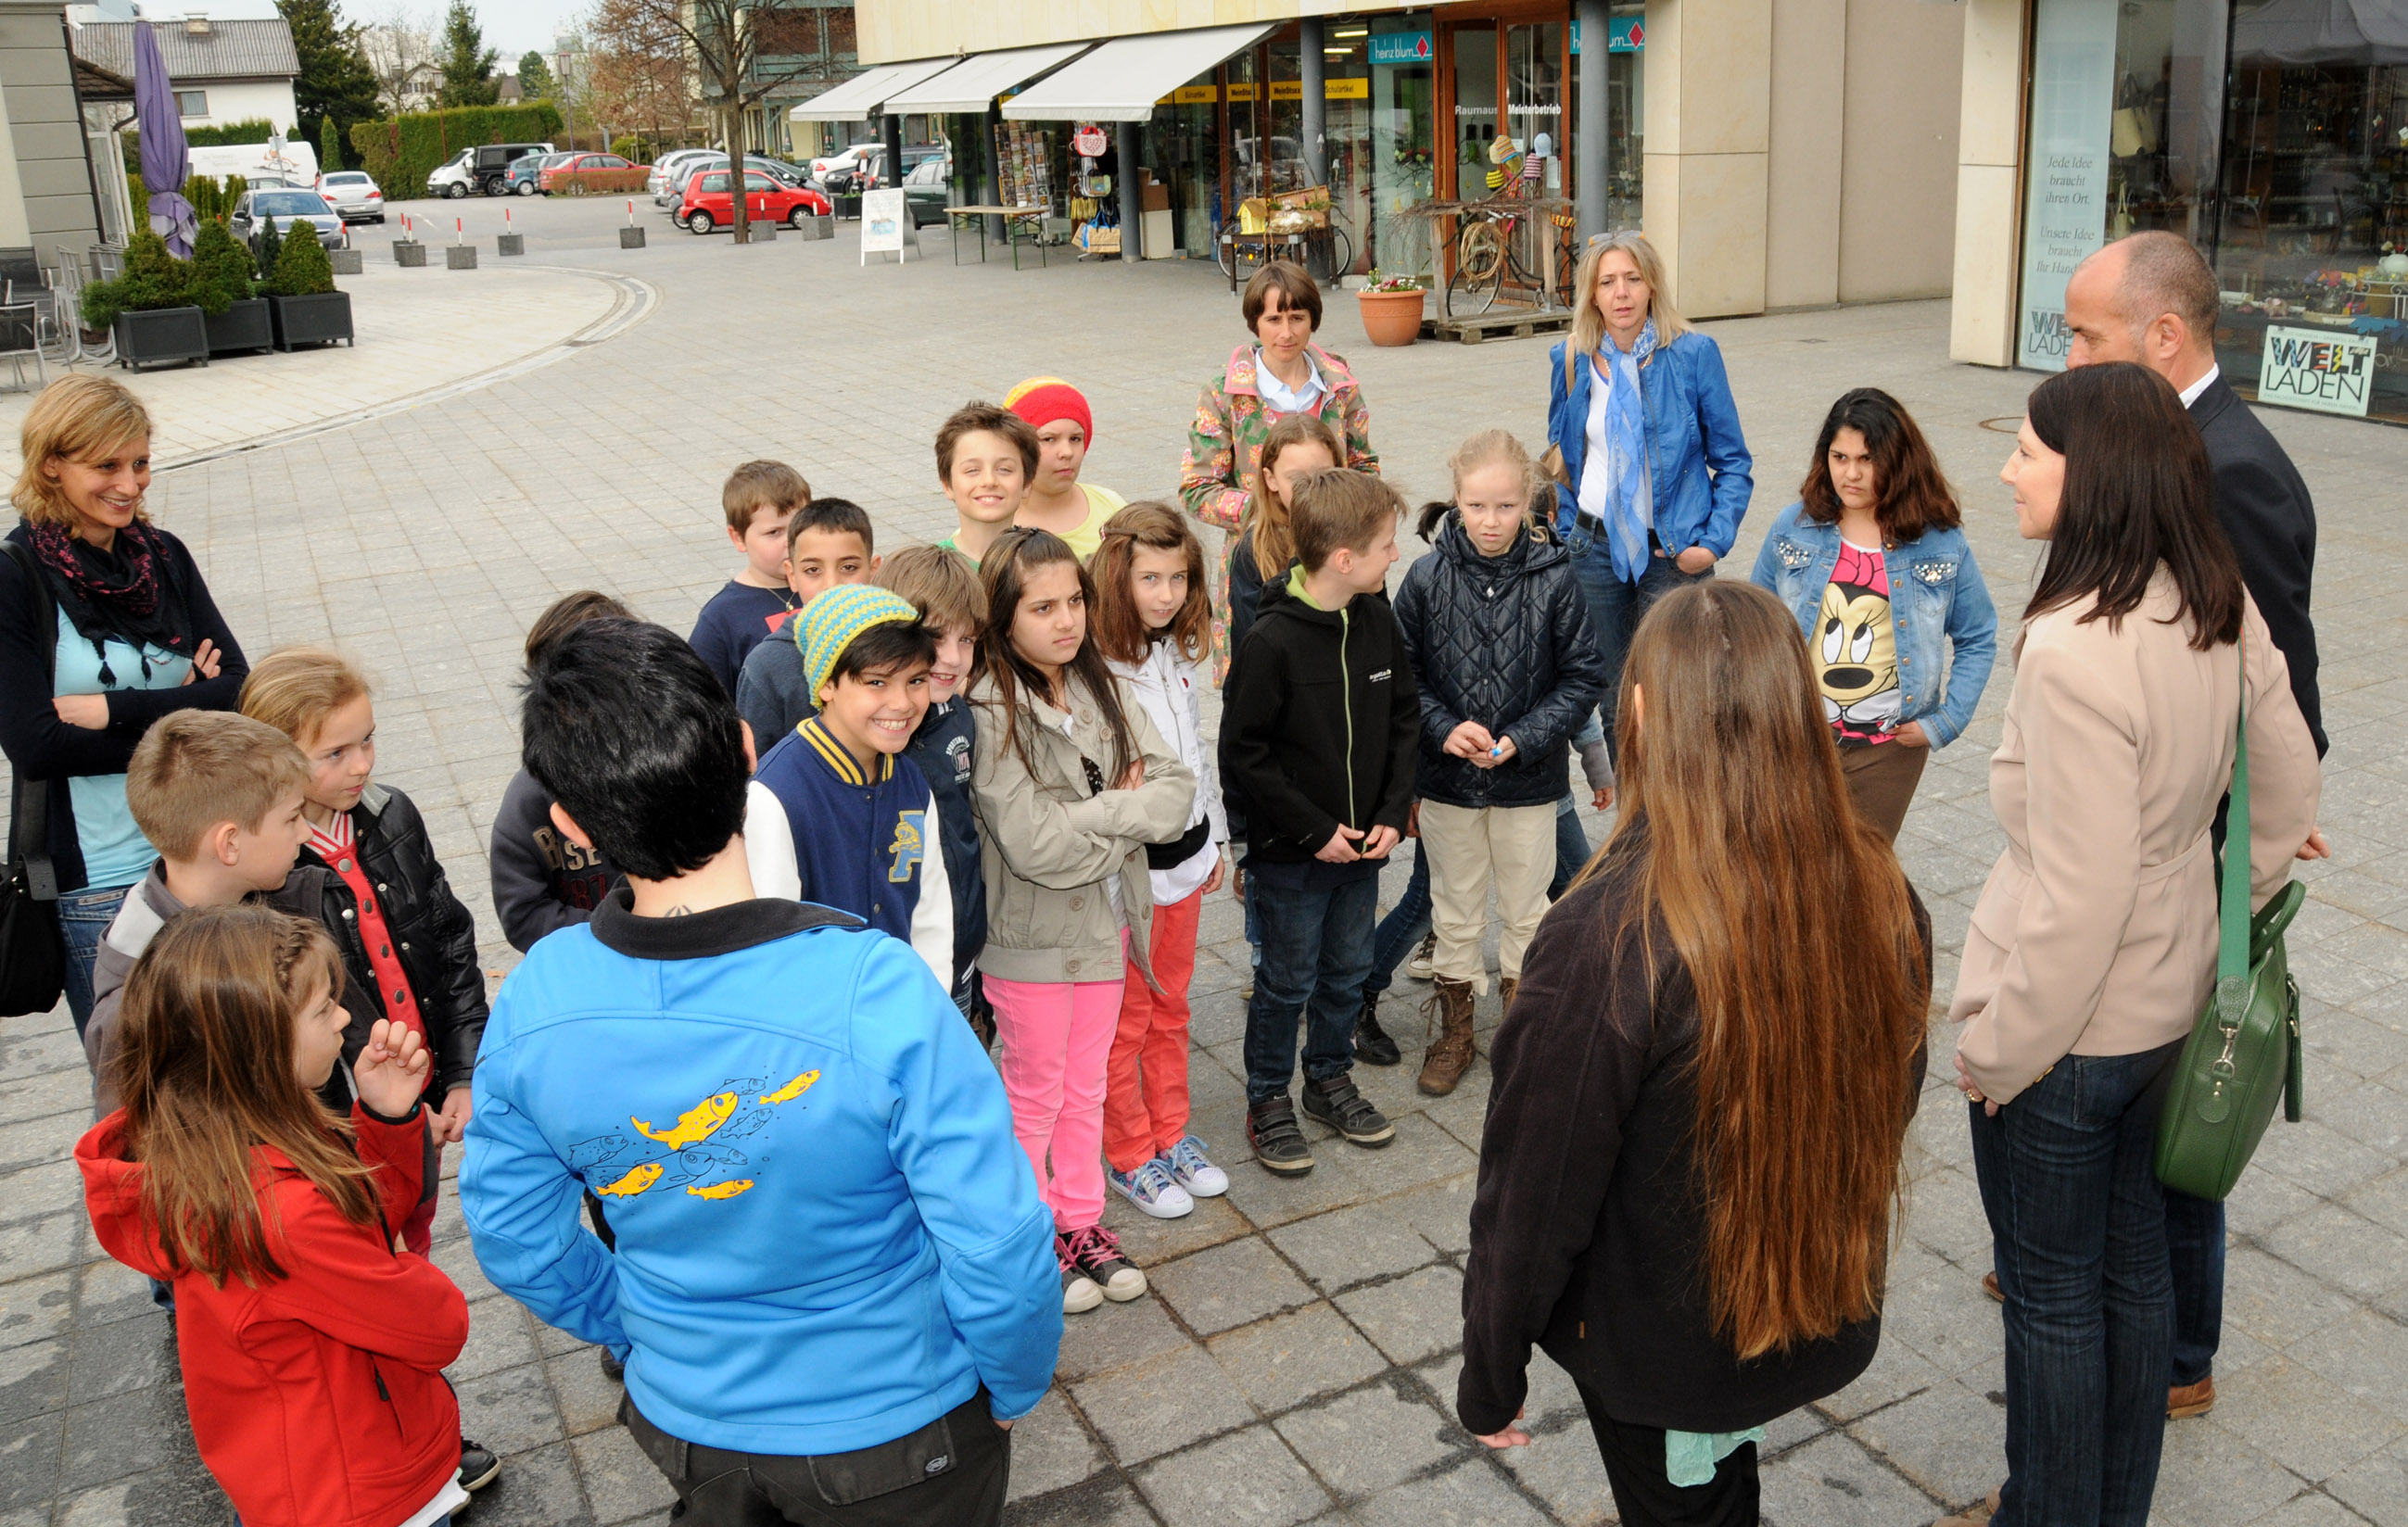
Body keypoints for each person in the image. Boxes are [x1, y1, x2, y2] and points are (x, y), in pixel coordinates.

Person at [460, 619, 1058, 1527]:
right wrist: (1015, 1379)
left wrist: (635, 1322)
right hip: (899, 1429)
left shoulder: (537, 999)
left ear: (571, 824)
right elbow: (996, 1241)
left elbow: (514, 1236)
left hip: (689, 1424)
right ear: (745, 749)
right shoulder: (875, 986)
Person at [1460, 581, 1932, 1527]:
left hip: (1666, 1346)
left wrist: (1490, 1371)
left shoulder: (1609, 933)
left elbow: (1536, 1187)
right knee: (1713, 1484)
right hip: (1803, 1292)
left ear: (1639, 711)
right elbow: (1893, 1093)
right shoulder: (1880, 885)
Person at [1945, 362, 2320, 1527]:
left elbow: (2083, 898)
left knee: (2054, 1299)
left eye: (2029, 451)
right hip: (2176, 1003)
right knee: (2137, 1270)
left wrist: (1999, 1049)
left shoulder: (2072, 648)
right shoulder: (2213, 598)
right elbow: (2289, 784)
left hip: (2070, 1034)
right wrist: (2221, 907)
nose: (2008, 469)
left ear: (2093, 474)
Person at [2062, 233, 2326, 1420]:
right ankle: (2098, 1267)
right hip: (2145, 829)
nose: (2072, 361)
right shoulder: (2156, 446)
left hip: (2199, 851)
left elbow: (2277, 680)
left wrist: (2267, 829)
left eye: (2088, 338)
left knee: (2187, 1091)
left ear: (2163, 337)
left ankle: (2181, 1353)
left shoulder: (2237, 471)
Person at [78, 903, 490, 1527]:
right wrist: (401, 1261)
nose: (345, 1017)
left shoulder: (221, 1146)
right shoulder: (279, 1213)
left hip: (304, 1472)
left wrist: (386, 1119)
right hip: (360, 1494)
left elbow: (356, 1222)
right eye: (323, 1010)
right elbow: (438, 1326)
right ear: (262, 1045)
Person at [966, 528, 1194, 1311]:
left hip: (1107, 928)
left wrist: (1090, 818)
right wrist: (1122, 813)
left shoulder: (1098, 684)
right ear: (1003, 616)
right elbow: (1036, 848)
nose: (1066, 621)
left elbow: (1175, 791)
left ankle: (1081, 1224)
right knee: (1035, 1094)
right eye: (1042, 608)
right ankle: (1030, 1238)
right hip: (1030, 943)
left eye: (1074, 601)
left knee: (1086, 1087)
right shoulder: (990, 710)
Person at [0, 374, 247, 1038]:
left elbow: (237, 690)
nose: (130, 484)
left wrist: (113, 710)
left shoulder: (163, 557)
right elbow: (37, 746)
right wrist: (185, 708)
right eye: (105, 465)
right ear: (51, 465)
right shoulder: (15, 576)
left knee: (234, 1067)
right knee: (136, 1083)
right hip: (99, 889)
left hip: (202, 860)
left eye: (139, 463)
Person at [241, 647, 488, 1255]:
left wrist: (461, 1072)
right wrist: (387, 1114)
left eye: (368, 740)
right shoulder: (268, 869)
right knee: (362, 1244)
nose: (362, 764)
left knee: (414, 1227)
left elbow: (450, 940)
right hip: (341, 1120)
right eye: (336, 753)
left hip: (420, 1089)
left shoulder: (393, 814)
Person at [1393, 431, 1605, 1096]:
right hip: (1449, 783)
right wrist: (1442, 727)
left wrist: (1525, 737)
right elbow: (1402, 674)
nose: (1491, 521)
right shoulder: (1426, 577)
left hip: (1528, 783)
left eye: (1506, 507)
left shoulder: (1557, 578)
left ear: (1529, 502)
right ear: (1456, 500)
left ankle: (1521, 1031)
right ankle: (1455, 1033)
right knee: (1454, 909)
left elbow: (1583, 677)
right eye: (1477, 506)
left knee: (1527, 909)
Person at [1220, 469, 1418, 1178]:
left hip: (1363, 850)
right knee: (1286, 980)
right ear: (1343, 558)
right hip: (1293, 857)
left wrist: (1392, 812)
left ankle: (1328, 1080)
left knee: (1347, 971)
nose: (1394, 555)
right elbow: (1244, 753)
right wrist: (1312, 831)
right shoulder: (1270, 642)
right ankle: (1269, 1097)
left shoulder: (1377, 621)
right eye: (1386, 545)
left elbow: (1403, 719)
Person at [1748, 388, 1997, 842]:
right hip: (1798, 739)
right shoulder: (1794, 527)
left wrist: (1945, 723)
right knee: (1793, 863)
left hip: (1888, 754)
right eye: (1840, 457)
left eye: (1868, 459)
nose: (1852, 474)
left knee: (1865, 870)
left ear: (1898, 460)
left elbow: (1978, 635)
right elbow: (1754, 624)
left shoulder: (1939, 542)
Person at [81, 712, 353, 1117]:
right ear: (229, 844)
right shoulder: (140, 1003)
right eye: (292, 817)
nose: (306, 833)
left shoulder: (274, 903)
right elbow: (137, 1141)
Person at [1545, 231, 1754, 746]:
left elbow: (1733, 462)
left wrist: (1711, 544)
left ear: (1652, 287)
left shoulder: (1693, 355)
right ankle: (1632, 800)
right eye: (1607, 282)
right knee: (1615, 698)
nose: (1621, 293)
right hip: (1593, 552)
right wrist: (1569, 529)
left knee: (1678, 694)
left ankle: (1677, 796)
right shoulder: (1570, 359)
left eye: (1632, 279)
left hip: (1673, 553)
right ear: (1592, 295)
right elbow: (1559, 457)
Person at [1089, 503, 1232, 1220]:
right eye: (1150, 578)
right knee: (1128, 1021)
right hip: (1132, 877)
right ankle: (1129, 1152)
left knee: (1171, 1006)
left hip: (1188, 860)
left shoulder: (1173, 651)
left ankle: (1171, 1134)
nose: (1167, 594)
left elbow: (1195, 748)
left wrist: (1218, 838)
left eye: (1178, 578)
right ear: (1118, 577)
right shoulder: (1094, 669)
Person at [747, 584, 955, 987]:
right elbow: (771, 945)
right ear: (827, 684)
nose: (903, 703)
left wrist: (930, 1005)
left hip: (902, 1004)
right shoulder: (777, 795)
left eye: (916, 680)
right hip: (816, 1014)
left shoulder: (910, 782)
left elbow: (929, 914)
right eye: (877, 683)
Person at [1180, 260, 1377, 681]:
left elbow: (1364, 467)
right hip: (1259, 559)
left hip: (1333, 554)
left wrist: (1344, 509)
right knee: (1261, 680)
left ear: (1313, 319)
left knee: (1334, 677)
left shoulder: (1341, 387)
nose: (1286, 332)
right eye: (1273, 319)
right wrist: (1267, 508)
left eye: (1297, 318)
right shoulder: (1224, 394)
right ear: (1255, 321)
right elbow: (1196, 488)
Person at [877, 545, 992, 1031]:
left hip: (960, 955)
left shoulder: (959, 718)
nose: (952, 657)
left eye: (967, 639)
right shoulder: (877, 737)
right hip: (894, 972)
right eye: (935, 636)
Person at [490, 591, 634, 953]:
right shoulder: (529, 799)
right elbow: (522, 914)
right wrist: (619, 932)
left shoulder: (661, 771)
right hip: (581, 966)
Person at [734, 497, 882, 745]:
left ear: (873, 569)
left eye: (848, 567)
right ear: (792, 575)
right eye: (813, 570)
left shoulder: (897, 647)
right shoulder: (765, 667)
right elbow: (756, 761)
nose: (831, 585)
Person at [688, 460, 808, 697]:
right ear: (738, 538)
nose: (791, 541)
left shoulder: (826, 587)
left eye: (799, 527)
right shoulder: (720, 617)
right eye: (774, 532)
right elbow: (702, 699)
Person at [1006, 377, 1126, 560]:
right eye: (1049, 439)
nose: (1067, 452)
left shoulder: (1112, 508)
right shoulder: (995, 521)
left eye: (1075, 439)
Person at [936, 401, 1043, 566]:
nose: (989, 481)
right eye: (972, 470)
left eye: (1004, 469)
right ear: (947, 484)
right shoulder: (930, 570)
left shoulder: (1047, 564)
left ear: (1027, 483)